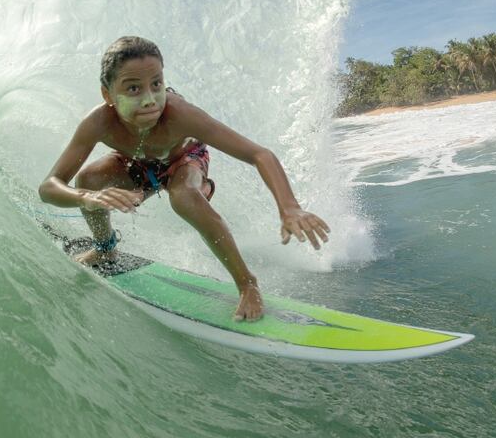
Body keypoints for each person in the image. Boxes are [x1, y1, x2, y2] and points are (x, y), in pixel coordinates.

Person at [38, 36, 331, 321]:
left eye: (157, 84)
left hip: (184, 160)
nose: (150, 99)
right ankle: (105, 249)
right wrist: (87, 198)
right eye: (133, 89)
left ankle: (247, 283)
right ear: (108, 95)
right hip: (137, 164)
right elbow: (49, 186)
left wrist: (289, 206)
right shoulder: (98, 123)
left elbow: (259, 154)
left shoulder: (180, 114)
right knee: (88, 179)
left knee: (183, 197)